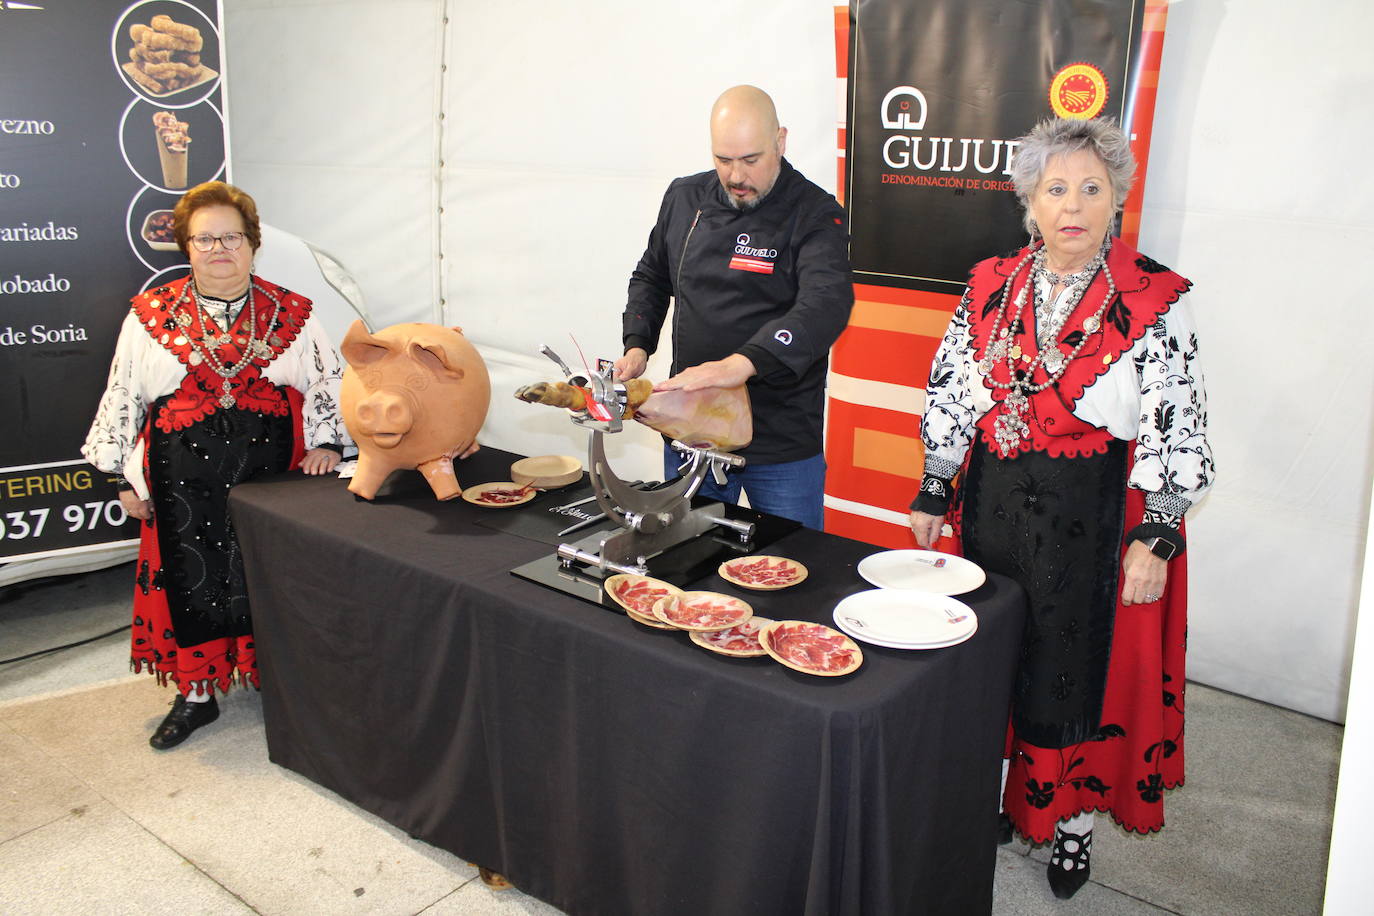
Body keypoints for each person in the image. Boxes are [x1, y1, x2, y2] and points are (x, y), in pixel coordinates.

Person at [907, 118, 1213, 899]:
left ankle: (1071, 829)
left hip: (1098, 524)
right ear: (1029, 202)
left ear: (1116, 198)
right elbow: (950, 389)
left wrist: (1158, 538)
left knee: (1077, 677)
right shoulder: (989, 287)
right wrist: (937, 485)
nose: (1072, 205)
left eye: (1091, 187)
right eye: (1055, 189)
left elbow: (1182, 423)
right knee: (999, 658)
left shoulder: (1153, 298)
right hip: (997, 513)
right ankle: (1006, 801)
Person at [83, 181, 349, 750]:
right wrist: (119, 477)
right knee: (190, 582)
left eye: (231, 236)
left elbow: (330, 379)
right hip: (181, 478)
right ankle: (196, 696)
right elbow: (125, 392)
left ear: (252, 244)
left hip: (272, 476)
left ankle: (277, 679)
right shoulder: (149, 316)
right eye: (205, 239)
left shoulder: (294, 313)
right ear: (186, 247)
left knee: (267, 574)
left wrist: (329, 442)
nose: (219, 249)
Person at [614, 85, 853, 530]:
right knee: (686, 560)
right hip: (691, 430)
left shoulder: (817, 212)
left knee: (790, 570)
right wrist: (637, 346)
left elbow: (826, 304)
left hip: (779, 440)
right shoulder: (685, 198)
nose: (736, 176)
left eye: (751, 160)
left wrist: (740, 364)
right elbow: (651, 275)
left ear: (781, 141)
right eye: (724, 160)